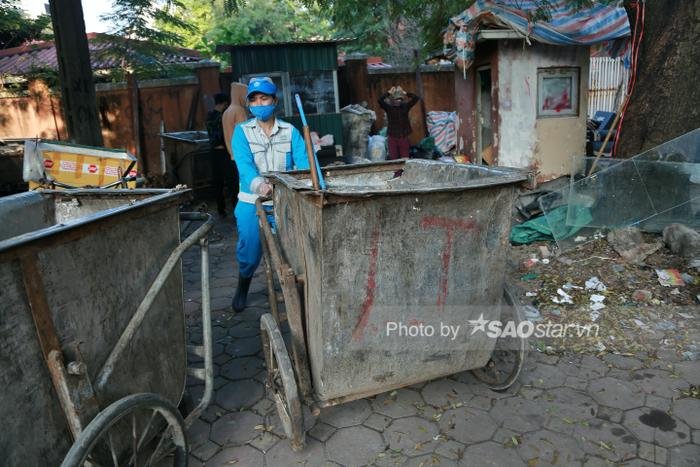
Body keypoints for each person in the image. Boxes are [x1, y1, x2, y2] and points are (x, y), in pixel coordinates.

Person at [230, 76, 309, 312]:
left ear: (274, 100)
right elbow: (244, 167)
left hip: (284, 200)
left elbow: (304, 164)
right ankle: (243, 284)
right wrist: (261, 186)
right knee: (250, 251)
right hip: (252, 200)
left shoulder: (290, 131)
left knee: (292, 249)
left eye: (264, 98)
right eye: (254, 100)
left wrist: (305, 185)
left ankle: (296, 288)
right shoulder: (242, 132)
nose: (259, 104)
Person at [206, 92, 231, 216]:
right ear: (225, 103)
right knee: (231, 180)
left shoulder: (209, 116)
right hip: (223, 152)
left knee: (217, 182)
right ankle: (234, 206)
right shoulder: (223, 117)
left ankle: (221, 209)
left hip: (212, 152)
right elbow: (223, 136)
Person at [378, 86, 420, 160]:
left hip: (403, 137)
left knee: (405, 159)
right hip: (392, 137)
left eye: (400, 99)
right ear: (393, 100)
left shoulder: (405, 107)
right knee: (394, 160)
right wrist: (388, 93)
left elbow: (416, 98)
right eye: (396, 99)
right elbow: (379, 100)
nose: (399, 101)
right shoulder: (389, 108)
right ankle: (397, 172)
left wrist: (405, 93)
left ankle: (404, 172)